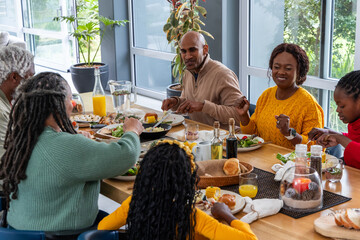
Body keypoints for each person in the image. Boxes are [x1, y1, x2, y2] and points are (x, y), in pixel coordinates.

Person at [0, 72, 144, 232]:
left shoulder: (22, 139)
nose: (73, 104)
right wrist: (132, 132)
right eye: (69, 99)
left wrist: (75, 140)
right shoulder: (66, 145)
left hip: (16, 231)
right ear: (57, 106)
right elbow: (125, 155)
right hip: (60, 234)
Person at [98, 139, 258, 240]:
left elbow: (102, 228)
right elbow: (249, 239)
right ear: (186, 181)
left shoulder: (134, 203)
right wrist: (227, 214)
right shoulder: (191, 216)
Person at [235, 43, 324, 149]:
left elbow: (315, 146)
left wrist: (289, 133)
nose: (281, 72)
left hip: (290, 164)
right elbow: (254, 135)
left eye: (288, 68)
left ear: (299, 71)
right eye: (276, 67)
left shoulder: (309, 104)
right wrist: (244, 116)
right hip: (261, 161)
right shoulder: (266, 95)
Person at [161, 31, 243, 128]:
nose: (187, 56)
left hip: (224, 139)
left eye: (192, 50)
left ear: (205, 49)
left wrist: (204, 107)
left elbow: (239, 116)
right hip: (199, 136)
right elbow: (189, 101)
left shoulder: (223, 75)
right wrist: (176, 102)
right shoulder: (188, 72)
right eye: (184, 51)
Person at [308, 70, 360, 169]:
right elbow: (356, 140)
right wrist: (330, 132)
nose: (337, 110)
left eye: (342, 106)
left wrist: (339, 138)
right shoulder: (355, 123)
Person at [0, 45, 34, 157]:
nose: (33, 84)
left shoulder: (11, 99)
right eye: (30, 77)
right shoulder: (1, 112)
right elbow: (7, 159)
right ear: (14, 77)